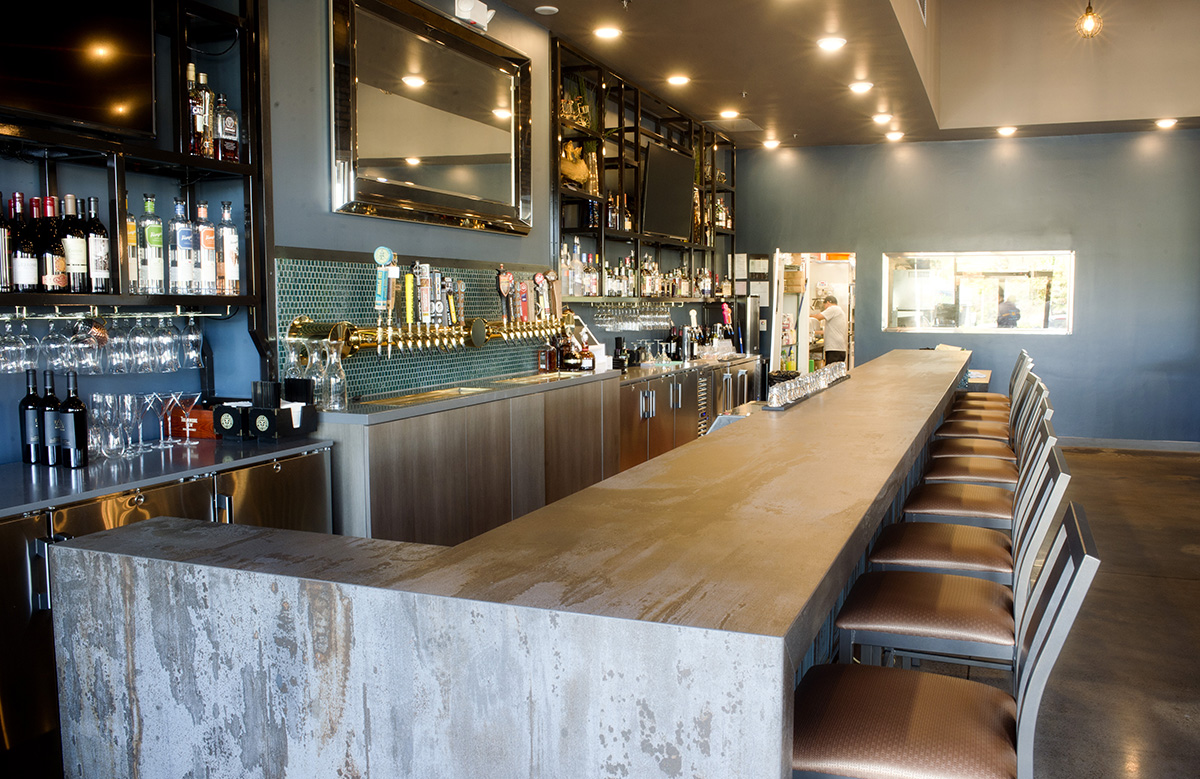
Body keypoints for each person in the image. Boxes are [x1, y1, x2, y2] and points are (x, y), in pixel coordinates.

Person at [811, 295, 848, 365]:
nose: (825, 308)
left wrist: (806, 315)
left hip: (834, 348)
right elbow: (828, 331)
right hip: (839, 348)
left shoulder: (833, 308)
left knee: (831, 372)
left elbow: (818, 317)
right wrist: (813, 332)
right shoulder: (840, 311)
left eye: (824, 305)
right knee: (837, 373)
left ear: (828, 303)